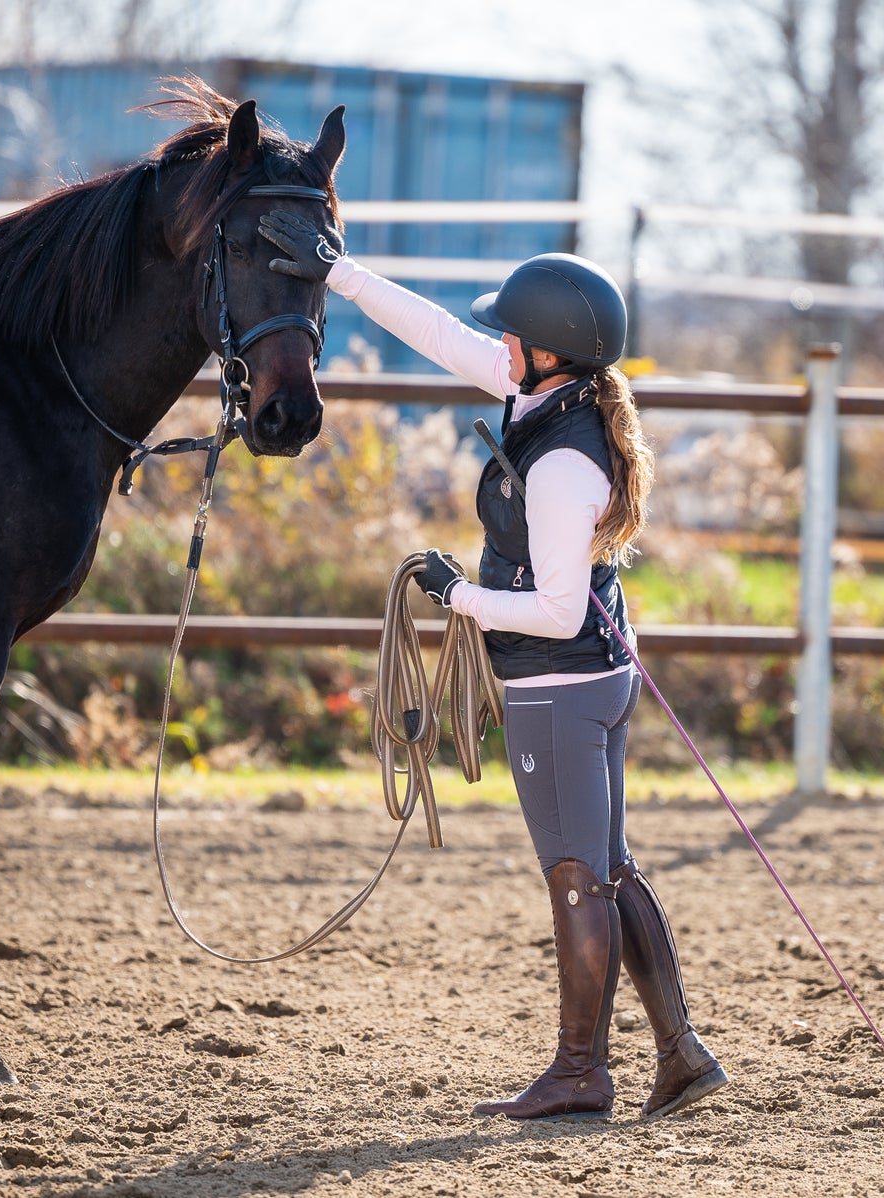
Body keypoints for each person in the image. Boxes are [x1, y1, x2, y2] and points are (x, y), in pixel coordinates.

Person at [260, 210, 729, 1123]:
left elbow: (554, 611)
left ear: (547, 353)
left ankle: (580, 1072)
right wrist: (339, 273)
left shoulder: (562, 466)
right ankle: (679, 1053)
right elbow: (439, 333)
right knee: (609, 867)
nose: (497, 341)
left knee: (575, 874)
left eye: (511, 333)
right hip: (593, 676)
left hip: (557, 686)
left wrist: (457, 594)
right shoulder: (547, 397)